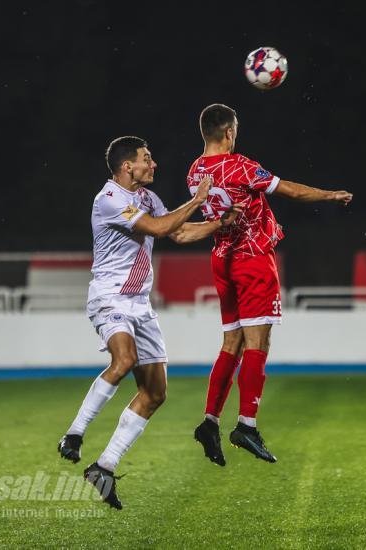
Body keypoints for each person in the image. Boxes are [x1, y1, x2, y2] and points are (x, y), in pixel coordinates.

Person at [57, 135, 241, 509]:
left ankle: (104, 467)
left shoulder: (148, 200)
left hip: (140, 305)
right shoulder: (109, 199)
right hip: (110, 297)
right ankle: (74, 434)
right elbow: (158, 229)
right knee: (123, 361)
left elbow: (178, 230)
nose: (153, 164)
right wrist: (199, 200)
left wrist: (219, 225)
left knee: (156, 393)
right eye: (147, 158)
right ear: (128, 166)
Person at [188, 104, 353, 466]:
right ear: (229, 132)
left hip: (221, 259)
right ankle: (246, 424)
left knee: (231, 341)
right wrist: (329, 195)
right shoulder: (240, 166)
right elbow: (289, 190)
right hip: (252, 259)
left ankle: (209, 420)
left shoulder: (195, 171)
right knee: (257, 342)